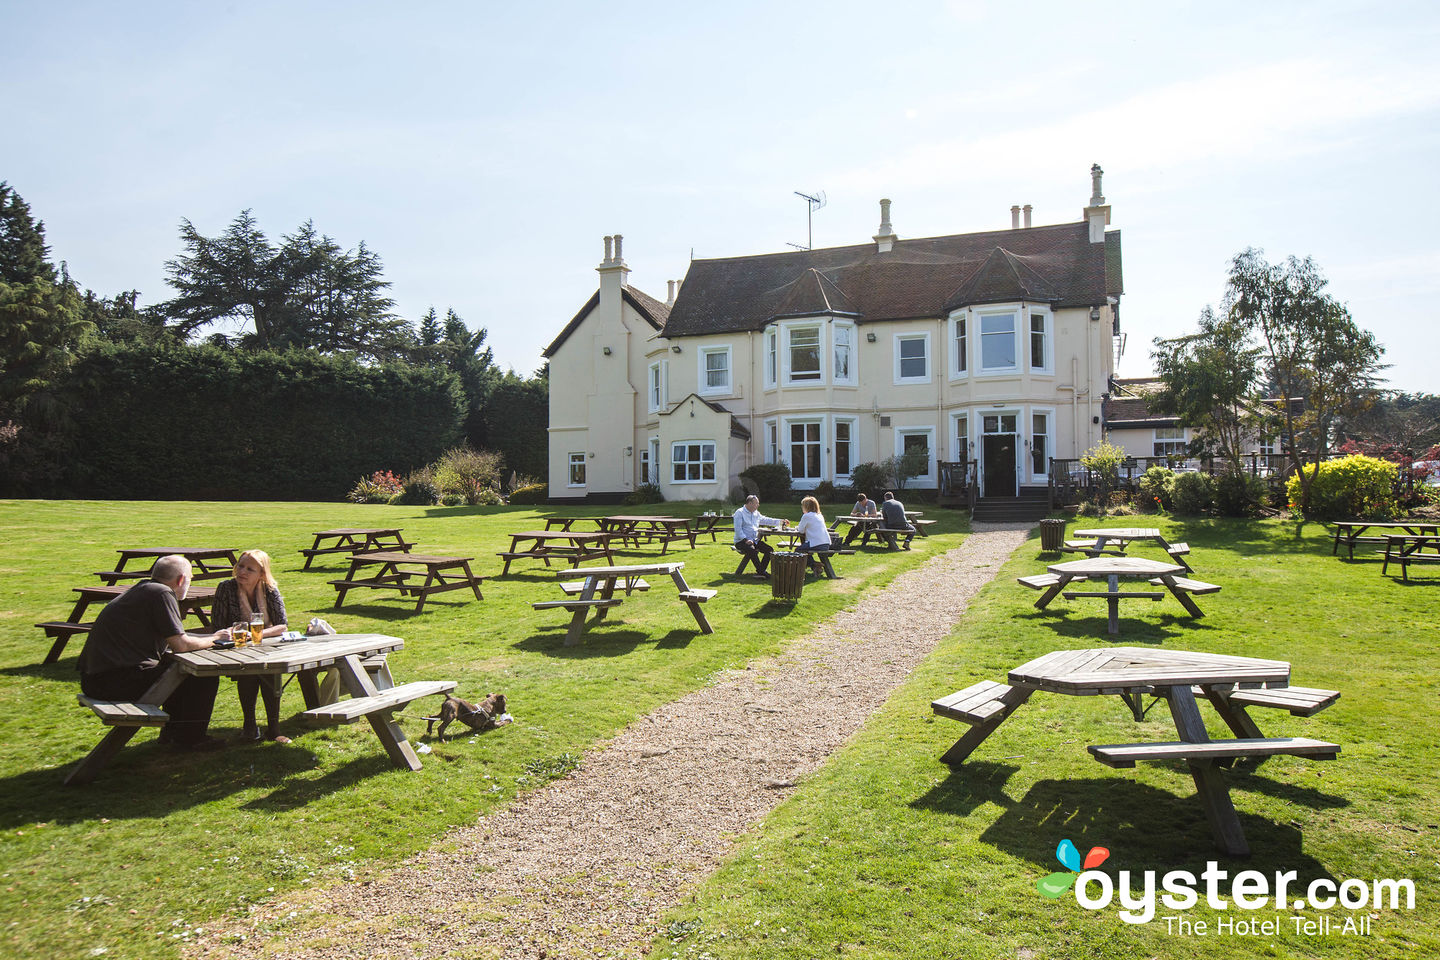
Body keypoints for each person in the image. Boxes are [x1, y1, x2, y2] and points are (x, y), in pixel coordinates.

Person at [76, 555, 226, 751]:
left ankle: (174, 734)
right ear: (181, 579)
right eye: (190, 578)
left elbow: (174, 638)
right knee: (201, 675)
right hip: (112, 682)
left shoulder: (144, 589)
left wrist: (208, 638)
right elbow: (180, 645)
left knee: (176, 669)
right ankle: (191, 739)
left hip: (95, 679)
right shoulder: (161, 593)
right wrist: (216, 638)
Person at [211, 549, 291, 744]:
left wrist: (257, 634)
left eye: (250, 569)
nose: (242, 572)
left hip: (265, 645)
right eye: (240, 566)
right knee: (249, 670)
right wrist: (233, 633)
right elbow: (217, 625)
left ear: (262, 574)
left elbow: (282, 625)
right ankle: (250, 725)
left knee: (269, 670)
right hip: (234, 646)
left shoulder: (269, 590)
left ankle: (273, 729)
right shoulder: (226, 588)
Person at [733, 494, 786, 577]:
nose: (758, 505)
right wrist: (745, 540)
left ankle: (760, 571)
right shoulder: (739, 513)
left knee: (769, 550)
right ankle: (762, 572)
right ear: (750, 503)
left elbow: (766, 520)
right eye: (756, 503)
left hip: (754, 540)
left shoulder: (756, 513)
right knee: (752, 550)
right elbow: (738, 530)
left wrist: (780, 521)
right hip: (741, 541)